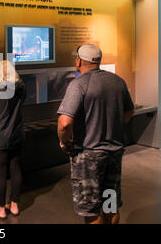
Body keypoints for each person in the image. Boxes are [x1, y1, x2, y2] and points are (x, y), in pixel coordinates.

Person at [57, 44, 134, 224]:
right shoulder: (117, 81)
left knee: (91, 211)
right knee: (110, 206)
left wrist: (63, 141)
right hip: (114, 153)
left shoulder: (78, 84)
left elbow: (64, 123)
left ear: (80, 61)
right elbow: (129, 111)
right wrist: (114, 126)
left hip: (88, 156)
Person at [0, 60, 26, 219]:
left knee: (0, 173)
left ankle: (1, 208)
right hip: (16, 135)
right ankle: (14, 205)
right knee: (16, 169)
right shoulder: (21, 87)